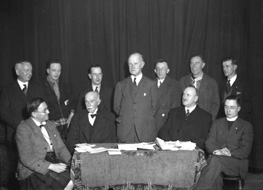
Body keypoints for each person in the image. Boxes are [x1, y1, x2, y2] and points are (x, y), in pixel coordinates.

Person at [0, 61, 44, 189]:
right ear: (17, 71)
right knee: (15, 167)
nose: (29, 73)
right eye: (26, 70)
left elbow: (42, 107)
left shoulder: (38, 87)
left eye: (31, 70)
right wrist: (21, 124)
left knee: (34, 165)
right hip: (14, 134)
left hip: (35, 134)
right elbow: (3, 112)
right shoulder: (7, 90)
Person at [194, 95, 253, 190]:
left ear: (239, 108)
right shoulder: (217, 123)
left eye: (232, 107)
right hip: (217, 162)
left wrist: (228, 153)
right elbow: (209, 142)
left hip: (236, 163)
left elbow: (245, 151)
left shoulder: (246, 126)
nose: (228, 110)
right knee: (215, 175)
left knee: (214, 161)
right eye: (226, 106)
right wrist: (217, 151)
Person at [16, 97, 73, 190]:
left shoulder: (50, 124)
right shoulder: (23, 128)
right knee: (67, 183)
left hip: (54, 161)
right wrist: (51, 166)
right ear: (34, 114)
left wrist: (71, 163)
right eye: (44, 110)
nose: (48, 112)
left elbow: (61, 148)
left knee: (75, 178)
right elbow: (27, 158)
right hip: (33, 169)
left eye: (47, 108)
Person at [114, 52, 157, 143]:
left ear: (142, 64)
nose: (133, 66)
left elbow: (155, 107)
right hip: (125, 132)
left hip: (145, 132)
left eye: (136, 63)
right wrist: (127, 117)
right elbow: (117, 107)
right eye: (130, 64)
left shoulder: (151, 84)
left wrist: (142, 118)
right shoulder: (121, 85)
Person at [158, 86, 212, 150]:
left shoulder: (205, 116)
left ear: (195, 98)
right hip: (171, 150)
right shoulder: (174, 112)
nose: (184, 97)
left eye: (188, 95)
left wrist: (186, 146)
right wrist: (171, 144)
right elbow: (163, 131)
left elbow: (204, 139)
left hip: (191, 152)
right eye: (184, 94)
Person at [42, 59, 75, 141]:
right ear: (47, 71)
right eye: (54, 70)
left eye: (59, 70)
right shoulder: (40, 87)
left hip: (67, 126)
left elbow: (73, 102)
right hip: (51, 127)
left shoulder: (65, 85)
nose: (57, 73)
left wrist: (71, 114)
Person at [179, 55, 220, 120]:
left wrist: (210, 119)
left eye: (197, 63)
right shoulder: (183, 81)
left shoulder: (211, 82)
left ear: (203, 65)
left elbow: (215, 104)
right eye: (191, 63)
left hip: (204, 121)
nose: (193, 66)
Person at [218, 57, 253, 123]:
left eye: (227, 66)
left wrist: (236, 111)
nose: (224, 69)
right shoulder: (221, 84)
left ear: (234, 67)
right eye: (223, 67)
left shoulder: (244, 84)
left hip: (239, 121)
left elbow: (250, 105)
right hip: (224, 122)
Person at [154, 59, 182, 132]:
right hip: (151, 124)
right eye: (158, 69)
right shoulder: (149, 84)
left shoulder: (175, 85)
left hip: (165, 124)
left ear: (168, 71)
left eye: (163, 69)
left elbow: (175, 109)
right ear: (155, 70)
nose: (160, 71)